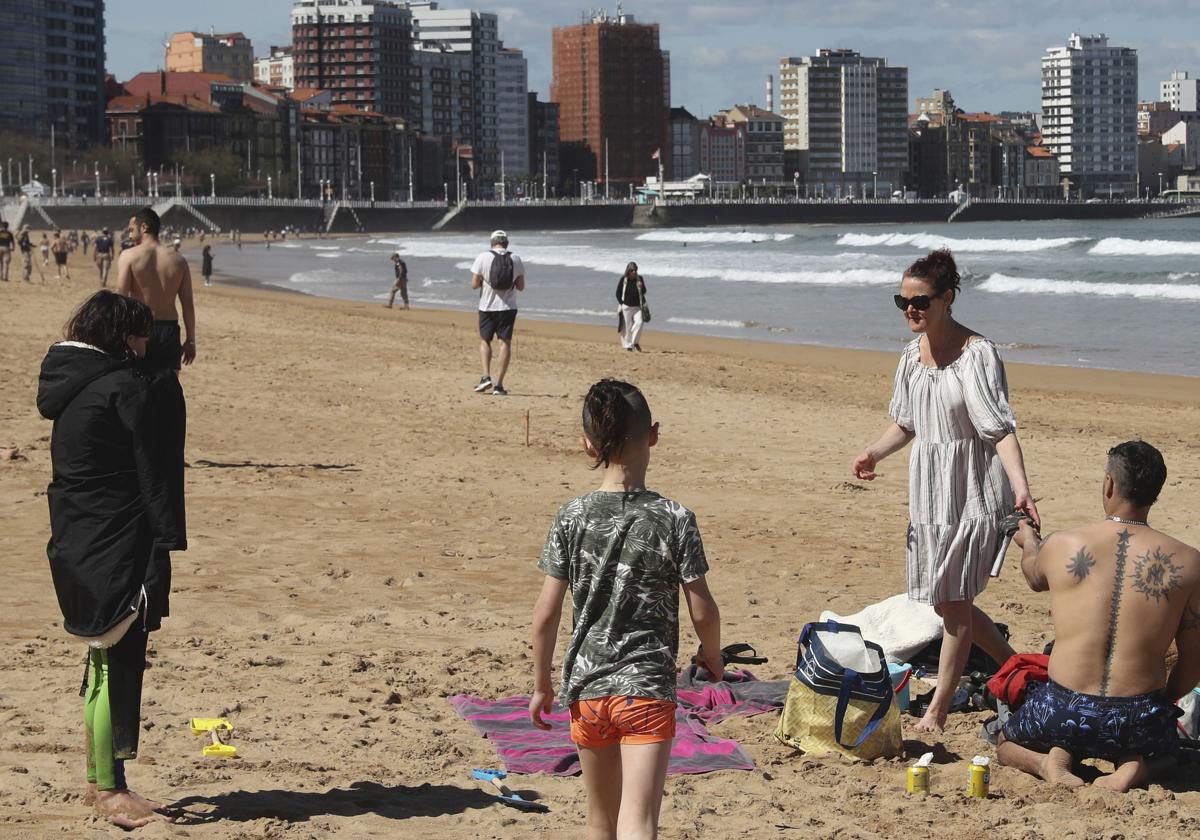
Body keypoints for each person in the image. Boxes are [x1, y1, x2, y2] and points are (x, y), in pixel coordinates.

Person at [852, 248, 1037, 734]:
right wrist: (874, 453)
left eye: (920, 301)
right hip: (930, 492)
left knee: (953, 603)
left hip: (973, 488)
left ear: (947, 298)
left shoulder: (978, 354)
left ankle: (936, 709)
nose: (910, 310)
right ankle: (1013, 664)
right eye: (902, 301)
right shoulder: (910, 359)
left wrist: (1021, 490)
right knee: (944, 600)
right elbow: (906, 423)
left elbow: (1000, 430)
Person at [530, 379, 723, 840]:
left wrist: (541, 684)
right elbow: (704, 611)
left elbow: (545, 615)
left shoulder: (571, 515)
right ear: (653, 435)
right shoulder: (674, 517)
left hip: (589, 688)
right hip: (647, 688)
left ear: (587, 445)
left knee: (600, 821)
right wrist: (711, 655)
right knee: (638, 820)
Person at [37, 290, 183, 829]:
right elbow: (153, 468)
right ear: (124, 337)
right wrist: (164, 542)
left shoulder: (71, 384)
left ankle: (102, 777)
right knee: (114, 666)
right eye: (141, 335)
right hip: (112, 543)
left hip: (75, 538)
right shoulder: (122, 388)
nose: (147, 345)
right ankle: (110, 790)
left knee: (100, 660)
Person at [999, 441, 1199, 791]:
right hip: (1137, 717)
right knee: (1169, 756)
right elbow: (1193, 663)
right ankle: (1132, 767)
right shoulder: (1190, 563)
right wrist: (1159, 704)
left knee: (1005, 742)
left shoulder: (1062, 543)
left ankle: (1047, 760)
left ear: (1109, 485)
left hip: (1062, 709)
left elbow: (1033, 575)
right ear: (1156, 492)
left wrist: (1028, 538)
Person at [115, 208, 194, 600]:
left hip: (139, 328)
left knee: (138, 390)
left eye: (131, 227)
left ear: (144, 227)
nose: (128, 233)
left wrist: (121, 338)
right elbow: (187, 305)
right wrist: (190, 338)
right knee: (168, 393)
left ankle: (142, 447)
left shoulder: (130, 257)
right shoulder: (178, 260)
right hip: (169, 329)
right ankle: (167, 450)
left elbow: (120, 300)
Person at [470, 230, 524, 396]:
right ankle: (499, 385)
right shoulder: (515, 259)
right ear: (506, 243)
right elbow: (521, 286)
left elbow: (474, 284)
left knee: (485, 340)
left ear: (492, 243)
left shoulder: (482, 257)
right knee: (505, 343)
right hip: (508, 307)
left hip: (487, 306)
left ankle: (486, 376)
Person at [616, 262, 648, 352]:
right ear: (628, 271)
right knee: (627, 327)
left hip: (638, 307)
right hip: (626, 307)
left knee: (639, 323)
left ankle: (634, 342)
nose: (634, 272)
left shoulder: (639, 278)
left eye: (635, 270)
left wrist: (641, 287)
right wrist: (622, 303)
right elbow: (618, 293)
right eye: (632, 270)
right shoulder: (624, 279)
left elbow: (644, 291)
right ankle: (629, 345)